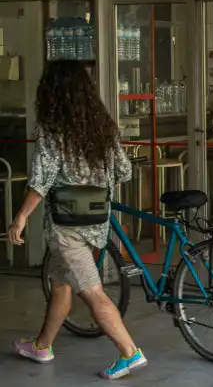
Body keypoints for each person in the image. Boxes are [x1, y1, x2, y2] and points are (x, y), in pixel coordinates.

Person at [7, 60, 146, 380]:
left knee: (91, 291)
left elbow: (41, 181)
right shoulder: (103, 128)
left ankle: (129, 352)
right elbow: (124, 171)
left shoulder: (52, 132)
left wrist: (20, 217)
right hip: (96, 222)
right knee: (61, 283)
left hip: (67, 228)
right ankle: (42, 345)